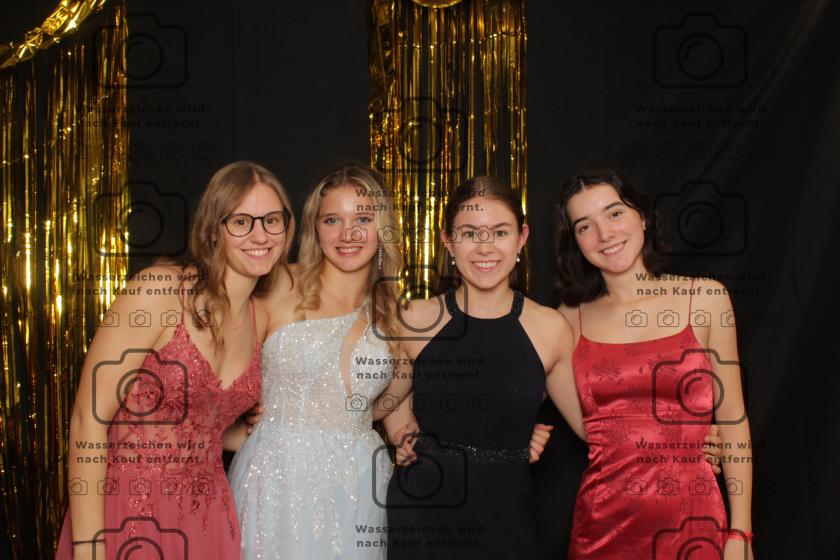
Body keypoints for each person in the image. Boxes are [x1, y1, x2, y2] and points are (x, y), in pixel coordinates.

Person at [55, 161, 295, 559]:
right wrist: (89, 546)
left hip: (209, 517)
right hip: (128, 510)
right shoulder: (160, 291)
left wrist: (236, 431)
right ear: (213, 229)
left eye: (272, 220)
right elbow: (87, 420)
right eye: (241, 222)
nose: (260, 235)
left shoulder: (261, 318)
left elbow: (197, 419)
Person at [555, 168, 754, 560]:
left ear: (642, 216)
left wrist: (741, 532)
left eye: (614, 213)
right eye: (585, 226)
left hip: (696, 523)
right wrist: (525, 435)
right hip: (602, 530)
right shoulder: (566, 319)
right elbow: (515, 389)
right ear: (575, 242)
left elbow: (733, 420)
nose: (605, 234)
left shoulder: (706, 298)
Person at [383, 176, 585, 559]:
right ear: (448, 241)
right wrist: (399, 433)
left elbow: (593, 425)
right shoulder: (415, 318)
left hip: (507, 513)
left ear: (522, 238)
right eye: (469, 233)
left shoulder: (551, 328)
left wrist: (684, 439)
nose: (485, 247)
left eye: (500, 232)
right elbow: (384, 400)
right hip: (424, 513)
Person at [227, 163, 412, 559]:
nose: (348, 234)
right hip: (277, 478)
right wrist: (226, 432)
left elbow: (389, 405)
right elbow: (212, 368)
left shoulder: (395, 315)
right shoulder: (276, 286)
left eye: (363, 219)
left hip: (359, 482)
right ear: (315, 227)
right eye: (333, 220)